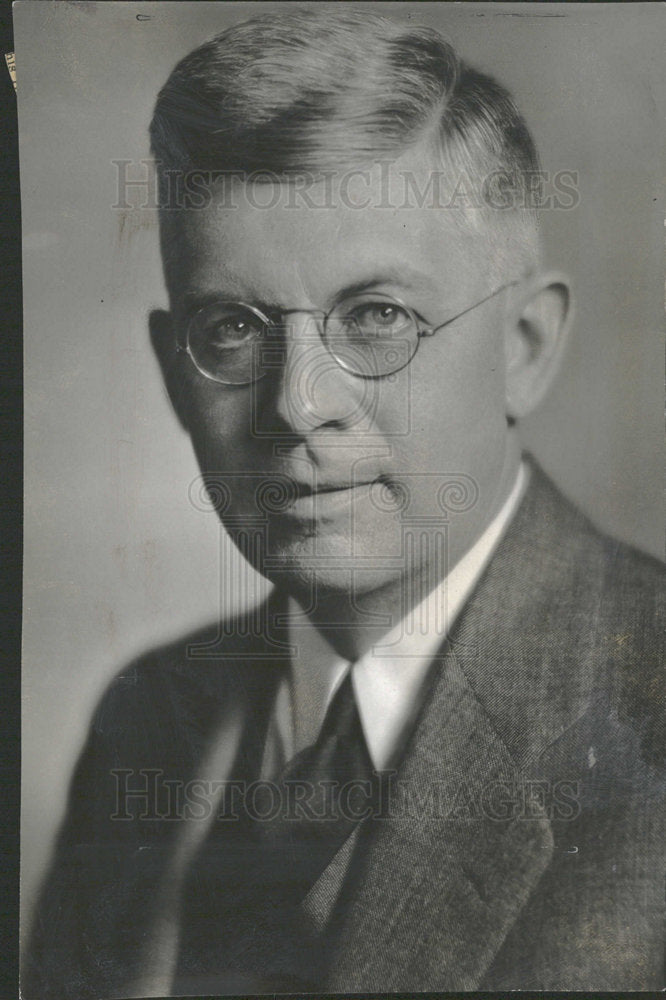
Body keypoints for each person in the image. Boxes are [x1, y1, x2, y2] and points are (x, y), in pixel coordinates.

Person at [23, 8, 664, 996]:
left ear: (525, 348)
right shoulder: (146, 719)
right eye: (231, 328)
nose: (296, 405)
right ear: (170, 371)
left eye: (377, 317)